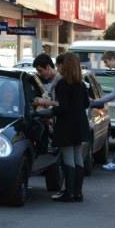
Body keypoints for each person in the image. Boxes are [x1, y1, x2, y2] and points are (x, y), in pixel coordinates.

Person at [34, 52, 89, 202]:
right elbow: (86, 103)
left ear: (64, 66)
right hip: (80, 124)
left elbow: (62, 108)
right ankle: (78, 192)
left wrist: (49, 111)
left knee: (68, 158)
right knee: (78, 157)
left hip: (66, 125)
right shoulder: (81, 84)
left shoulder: (62, 84)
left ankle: (68, 192)